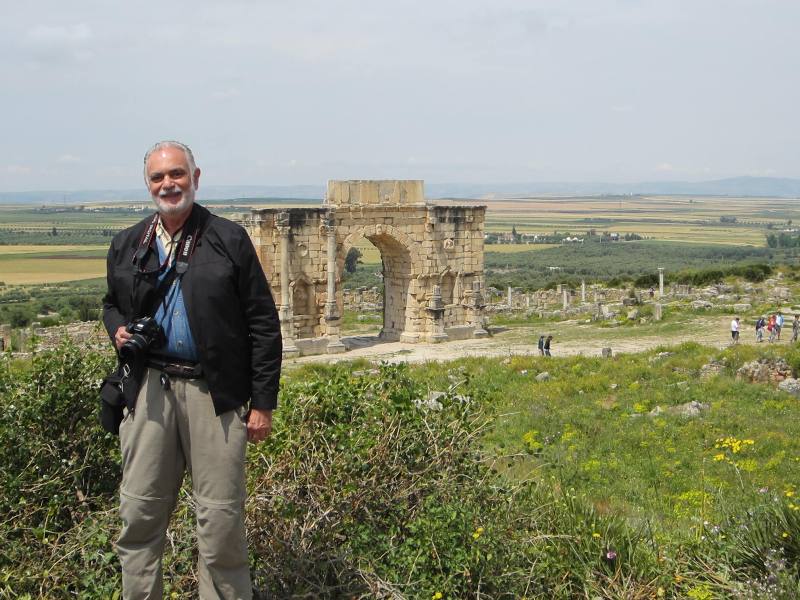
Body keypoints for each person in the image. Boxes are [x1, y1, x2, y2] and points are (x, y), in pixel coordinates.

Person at [102, 141, 282, 599]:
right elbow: (110, 305)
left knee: (220, 523)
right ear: (148, 185)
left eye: (177, 174)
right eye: (159, 177)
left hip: (213, 394)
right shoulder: (127, 243)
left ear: (195, 178)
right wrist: (119, 330)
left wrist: (262, 403)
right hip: (149, 392)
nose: (169, 184)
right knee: (139, 515)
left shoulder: (228, 238)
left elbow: (262, 322)